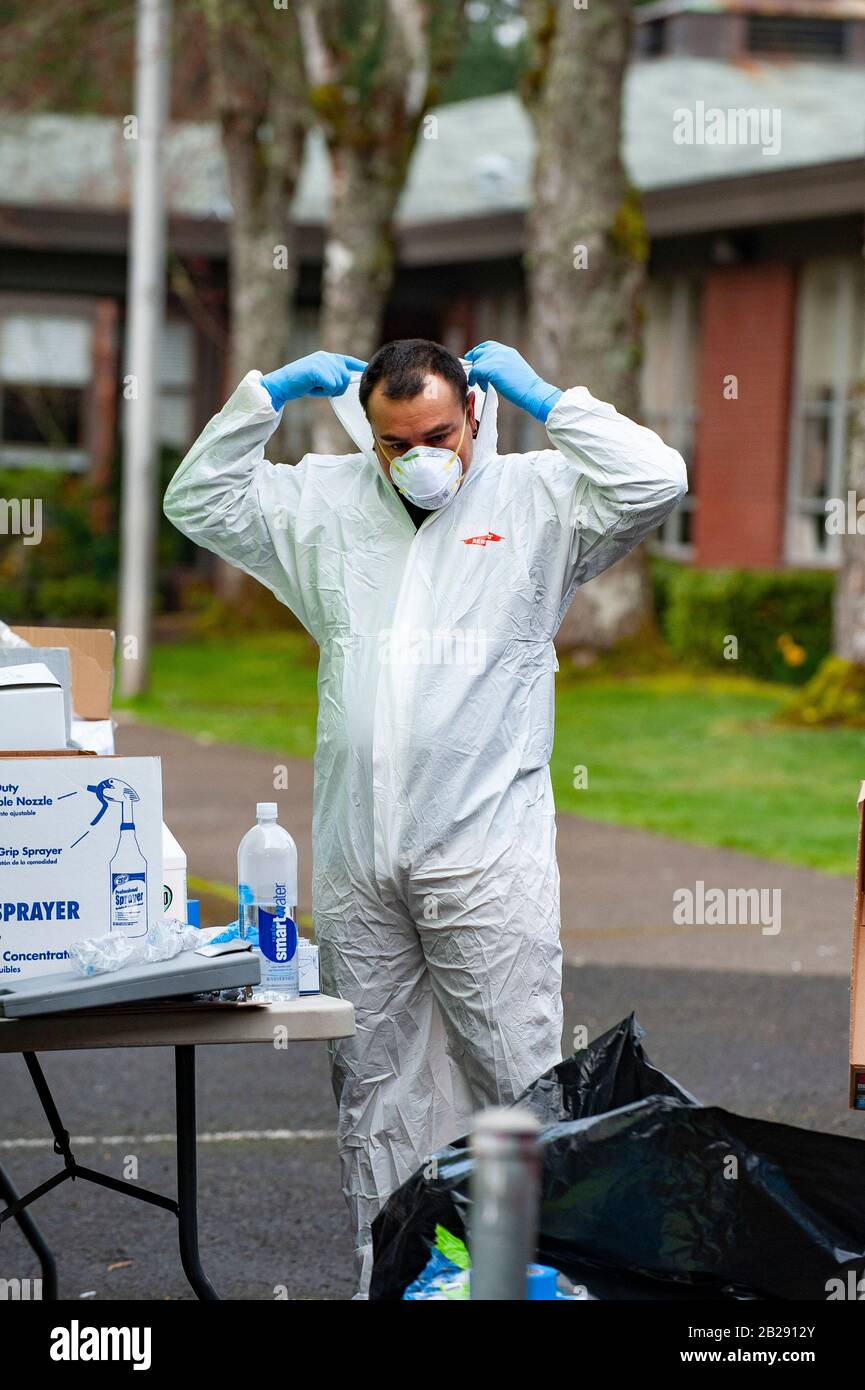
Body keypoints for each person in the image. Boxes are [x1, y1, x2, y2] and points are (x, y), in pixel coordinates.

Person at [163, 338, 687, 1298]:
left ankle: (541, 1284)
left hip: (484, 851)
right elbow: (197, 500)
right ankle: (392, 1285)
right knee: (375, 1094)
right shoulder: (324, 501)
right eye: (395, 441)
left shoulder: (540, 499)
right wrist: (264, 397)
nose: (418, 456)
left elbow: (656, 478)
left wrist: (547, 396)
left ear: (478, 412)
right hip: (359, 857)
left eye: (437, 432)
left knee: (519, 1084)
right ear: (370, 436)